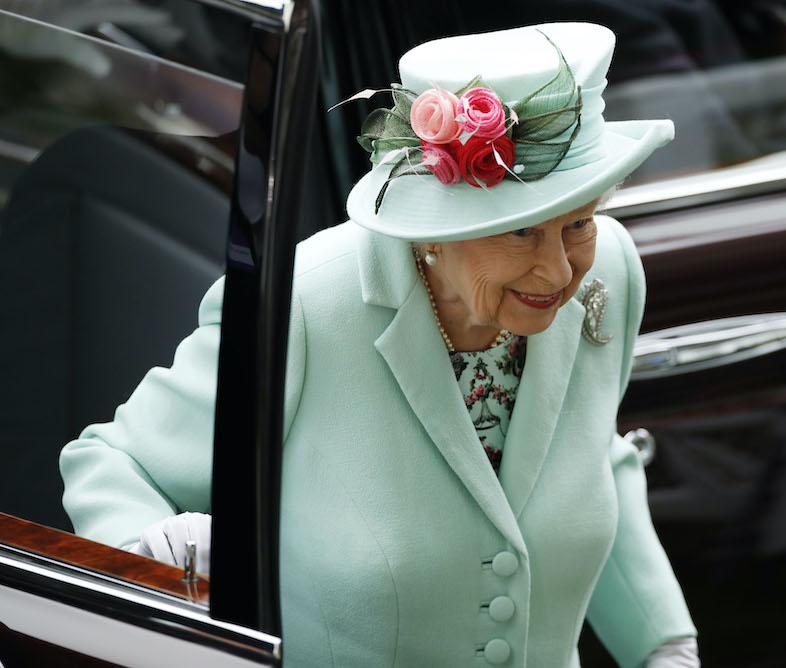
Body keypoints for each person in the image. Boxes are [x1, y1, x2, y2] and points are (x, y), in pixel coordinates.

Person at [60, 22, 698, 667]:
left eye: (579, 222)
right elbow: (114, 464)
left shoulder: (609, 270)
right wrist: (159, 567)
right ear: (435, 228)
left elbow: (589, 456)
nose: (559, 272)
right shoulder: (299, 306)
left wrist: (666, 643)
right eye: (522, 233)